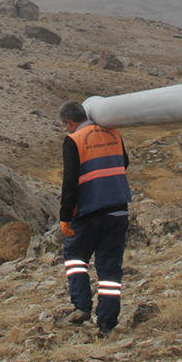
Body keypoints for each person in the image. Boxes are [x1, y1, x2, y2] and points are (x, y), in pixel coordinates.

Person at [57, 101, 132, 338]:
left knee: (75, 257)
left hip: (89, 210)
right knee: (110, 268)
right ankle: (107, 323)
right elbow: (125, 162)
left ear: (69, 122)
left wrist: (65, 216)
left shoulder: (74, 140)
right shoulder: (113, 132)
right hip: (118, 208)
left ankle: (82, 306)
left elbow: (70, 182)